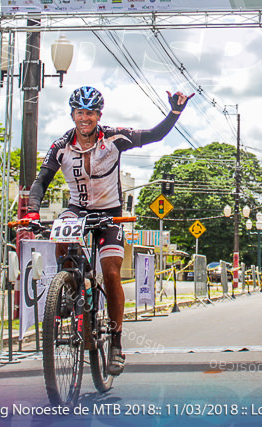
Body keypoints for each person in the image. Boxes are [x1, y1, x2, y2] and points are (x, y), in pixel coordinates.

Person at [23, 86, 192, 377]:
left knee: (111, 272)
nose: (84, 118)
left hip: (110, 212)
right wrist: (33, 211)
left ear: (98, 115)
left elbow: (154, 135)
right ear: (73, 115)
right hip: (77, 209)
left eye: (90, 113)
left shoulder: (114, 138)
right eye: (80, 113)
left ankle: (115, 341)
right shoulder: (61, 145)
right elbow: (41, 181)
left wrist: (175, 111)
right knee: (61, 234)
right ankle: (67, 286)